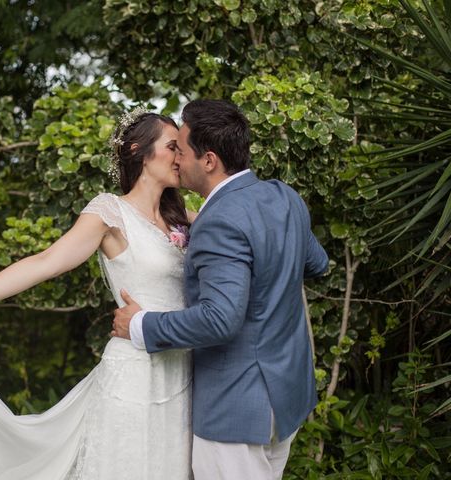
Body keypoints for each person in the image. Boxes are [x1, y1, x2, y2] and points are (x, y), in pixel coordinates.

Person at [0, 108, 195, 480]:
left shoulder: (186, 217)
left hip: (183, 372)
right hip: (136, 375)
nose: (180, 156)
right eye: (172, 146)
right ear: (139, 150)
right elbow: (45, 262)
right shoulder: (110, 213)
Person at [113, 99, 329, 480]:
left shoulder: (218, 222)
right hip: (286, 396)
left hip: (237, 410)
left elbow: (220, 320)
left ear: (209, 160)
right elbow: (317, 263)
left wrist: (140, 325)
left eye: (181, 148)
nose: (176, 158)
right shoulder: (283, 196)